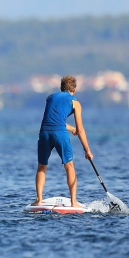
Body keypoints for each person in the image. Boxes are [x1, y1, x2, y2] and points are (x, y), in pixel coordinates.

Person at [34, 75, 93, 208]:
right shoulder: (75, 102)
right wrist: (87, 150)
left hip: (44, 132)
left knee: (41, 167)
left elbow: (53, 119)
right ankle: (74, 202)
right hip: (59, 134)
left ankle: (38, 200)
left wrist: (70, 128)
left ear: (61, 88)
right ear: (74, 89)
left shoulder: (50, 97)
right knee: (69, 166)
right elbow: (81, 129)